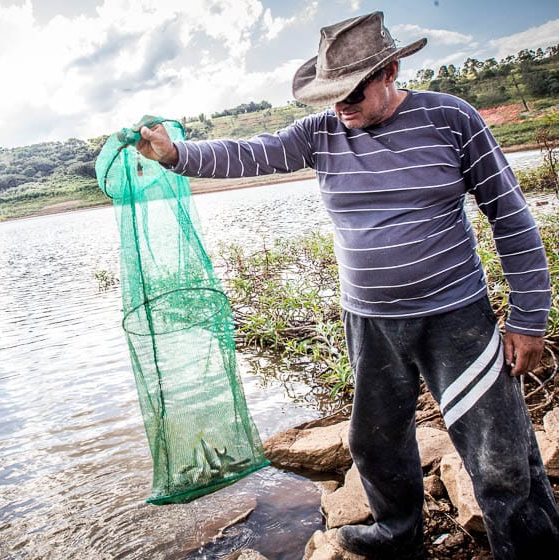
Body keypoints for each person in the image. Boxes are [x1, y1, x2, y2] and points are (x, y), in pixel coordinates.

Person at [135, 10, 559, 560]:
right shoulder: (322, 132)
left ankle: (525, 546)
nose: (342, 103)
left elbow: (511, 217)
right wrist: (174, 156)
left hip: (455, 315)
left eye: (354, 89)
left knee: (496, 449)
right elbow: (250, 152)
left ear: (390, 71)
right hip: (369, 321)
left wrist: (529, 319)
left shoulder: (451, 119)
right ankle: (396, 535)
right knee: (375, 441)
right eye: (331, 92)